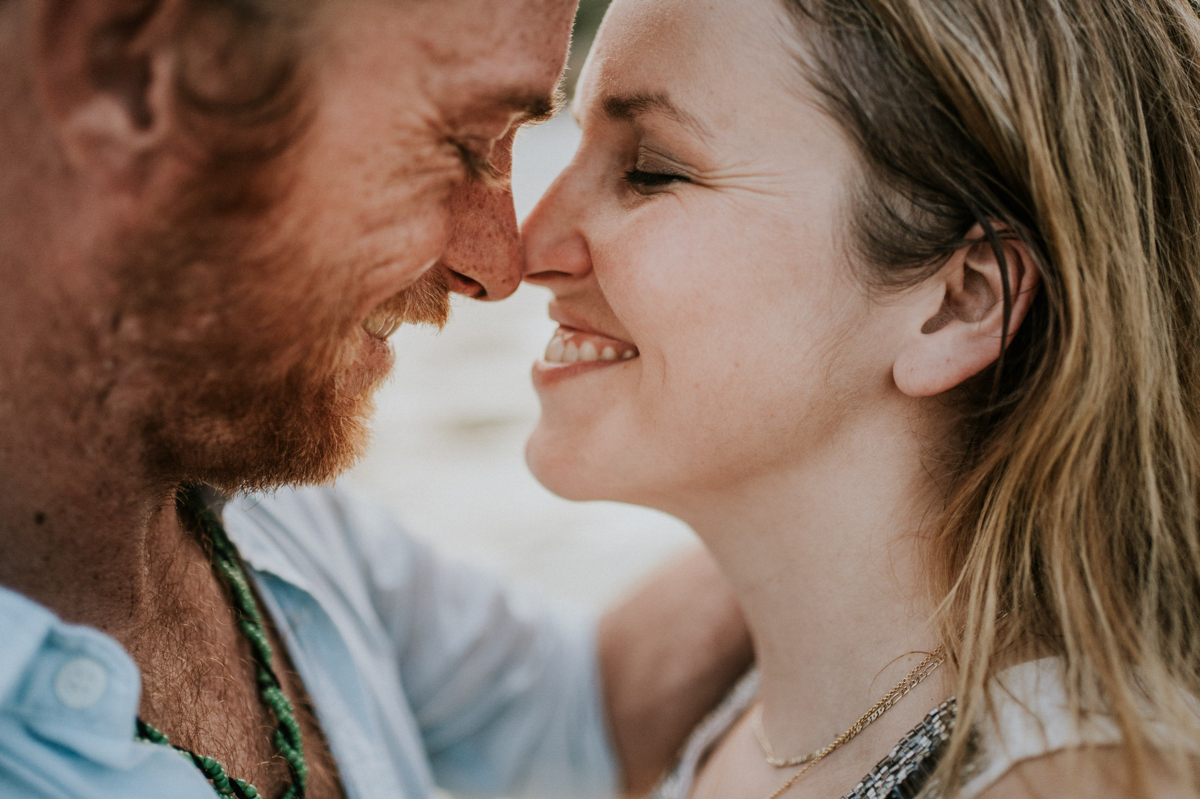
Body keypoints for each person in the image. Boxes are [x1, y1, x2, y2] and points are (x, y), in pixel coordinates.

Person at [0, 0, 753, 797]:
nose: (499, 265)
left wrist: (850, 464)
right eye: (463, 144)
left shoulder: (261, 501)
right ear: (123, 78)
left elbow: (575, 714)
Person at [520, 0, 1200, 796]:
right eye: (572, 143)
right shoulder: (734, 714)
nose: (528, 246)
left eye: (652, 170)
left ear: (960, 302)